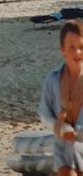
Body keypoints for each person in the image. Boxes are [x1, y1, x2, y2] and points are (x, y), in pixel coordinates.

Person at [39, 21, 83, 175]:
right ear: (62, 50)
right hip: (63, 150)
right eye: (72, 47)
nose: (77, 52)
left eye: (81, 47)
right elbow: (44, 112)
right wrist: (58, 127)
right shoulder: (53, 79)